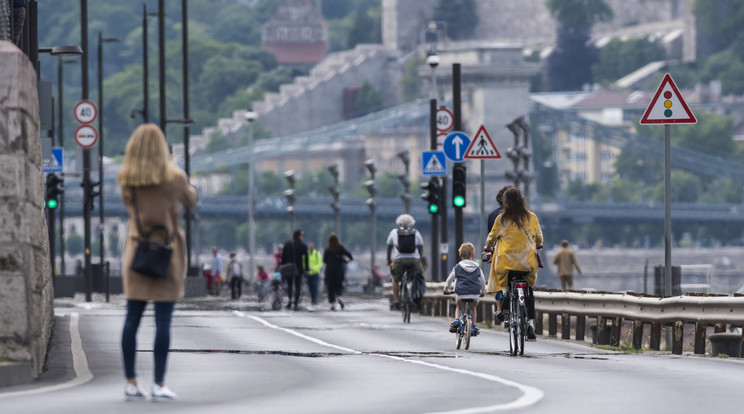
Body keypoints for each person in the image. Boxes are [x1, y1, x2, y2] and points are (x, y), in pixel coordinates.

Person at [117, 123, 198, 402]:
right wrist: (175, 168)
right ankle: (159, 383)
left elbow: (131, 208)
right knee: (163, 322)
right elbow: (192, 199)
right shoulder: (174, 177)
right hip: (168, 253)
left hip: (137, 251)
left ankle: (130, 382)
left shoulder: (127, 178)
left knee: (132, 319)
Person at [483, 187, 543, 341]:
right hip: (527, 262)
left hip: (506, 262)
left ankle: (503, 306)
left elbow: (491, 238)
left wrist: (488, 248)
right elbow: (539, 238)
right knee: (528, 290)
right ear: (522, 199)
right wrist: (538, 244)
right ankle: (529, 324)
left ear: (505, 202)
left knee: (503, 282)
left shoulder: (501, 219)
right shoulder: (532, 217)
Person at [444, 243, 486, 336]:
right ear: (473, 255)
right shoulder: (477, 267)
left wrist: (446, 289)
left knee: (459, 306)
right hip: (474, 293)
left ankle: (456, 321)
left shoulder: (458, 267)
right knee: (473, 307)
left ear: (460, 255)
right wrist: (483, 291)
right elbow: (483, 280)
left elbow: (449, 279)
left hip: (461, 293)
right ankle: (474, 327)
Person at [386, 214, 424, 310]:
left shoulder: (394, 232)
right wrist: (419, 258)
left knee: (395, 279)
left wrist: (388, 259)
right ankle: (417, 299)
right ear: (411, 223)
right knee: (419, 276)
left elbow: (389, 246)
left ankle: (396, 301)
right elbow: (420, 247)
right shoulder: (416, 232)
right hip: (414, 260)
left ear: (399, 223)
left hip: (399, 260)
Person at [323, 233, 353, 311]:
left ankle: (332, 304)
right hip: (339, 271)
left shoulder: (327, 249)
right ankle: (339, 298)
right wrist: (346, 261)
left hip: (329, 271)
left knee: (330, 287)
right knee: (339, 285)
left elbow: (324, 260)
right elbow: (349, 255)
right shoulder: (340, 247)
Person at [281, 229, 309, 310]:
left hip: (289, 267)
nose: (302, 237)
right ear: (299, 236)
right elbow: (306, 258)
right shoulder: (303, 245)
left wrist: (283, 267)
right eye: (302, 235)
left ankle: (290, 299)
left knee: (289, 284)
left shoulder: (288, 244)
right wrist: (306, 268)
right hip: (298, 268)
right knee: (297, 285)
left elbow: (283, 257)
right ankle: (296, 302)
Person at [305, 242, 323, 306]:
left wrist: (313, 268)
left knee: (314, 286)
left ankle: (314, 299)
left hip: (315, 273)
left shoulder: (317, 254)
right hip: (308, 273)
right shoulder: (307, 253)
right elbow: (304, 262)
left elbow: (319, 263)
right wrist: (306, 269)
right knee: (310, 286)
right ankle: (312, 298)